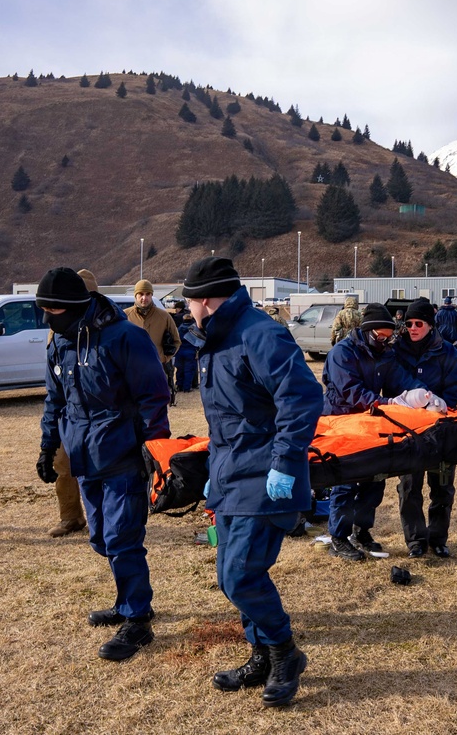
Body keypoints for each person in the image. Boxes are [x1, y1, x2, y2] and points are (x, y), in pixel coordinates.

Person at [183, 257, 322, 708]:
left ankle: (285, 653)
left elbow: (301, 397)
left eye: (188, 302)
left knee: (241, 575)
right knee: (229, 576)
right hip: (230, 474)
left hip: (265, 474)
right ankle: (260, 653)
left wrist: (284, 462)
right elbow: (230, 417)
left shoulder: (259, 334)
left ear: (205, 299)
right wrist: (213, 474)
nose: (187, 310)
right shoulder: (216, 340)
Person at [36, 267, 170, 661]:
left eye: (53, 310)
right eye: (42, 309)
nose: (47, 318)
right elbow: (54, 400)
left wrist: (153, 452)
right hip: (83, 459)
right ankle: (124, 599)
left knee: (122, 538)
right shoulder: (59, 343)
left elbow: (153, 397)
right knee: (100, 538)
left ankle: (137, 619)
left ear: (77, 307)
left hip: (123, 455)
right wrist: (48, 448)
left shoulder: (125, 338)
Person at [322, 303, 446, 561]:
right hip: (341, 420)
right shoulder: (342, 353)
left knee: (374, 478)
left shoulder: (385, 354)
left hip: (370, 422)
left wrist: (424, 395)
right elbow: (350, 391)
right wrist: (387, 403)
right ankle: (339, 537)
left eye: (389, 338)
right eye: (380, 337)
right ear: (366, 332)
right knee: (345, 481)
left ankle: (361, 530)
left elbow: (401, 379)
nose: (385, 342)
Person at [392, 298, 457, 559]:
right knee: (409, 486)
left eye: (418, 323)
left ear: (430, 325)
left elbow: (456, 385)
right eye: (409, 323)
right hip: (407, 429)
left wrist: (440, 405)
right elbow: (391, 385)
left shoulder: (447, 352)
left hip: (439, 428)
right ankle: (415, 540)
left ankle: (438, 538)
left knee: (442, 484)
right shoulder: (396, 351)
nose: (412, 328)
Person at [46, 268, 98, 538]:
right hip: (70, 413)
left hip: (102, 415)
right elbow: (53, 383)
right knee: (63, 466)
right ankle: (71, 517)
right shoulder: (57, 333)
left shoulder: (114, 329)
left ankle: (103, 521)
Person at [124, 279, 181, 397]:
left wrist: (165, 358)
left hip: (156, 372)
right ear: (135, 295)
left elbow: (176, 341)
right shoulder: (124, 316)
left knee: (156, 408)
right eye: (141, 294)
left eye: (147, 294)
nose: (144, 298)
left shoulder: (164, 316)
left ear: (152, 295)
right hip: (131, 373)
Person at [174, 312, 200, 392]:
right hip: (190, 351)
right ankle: (187, 387)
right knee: (189, 370)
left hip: (180, 351)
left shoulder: (179, 328)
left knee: (179, 370)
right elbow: (198, 341)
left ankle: (179, 386)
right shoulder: (194, 329)